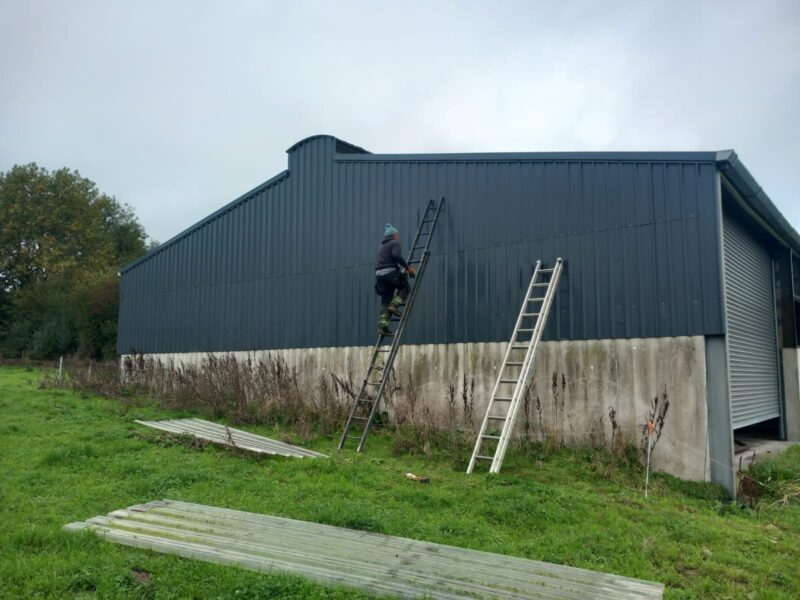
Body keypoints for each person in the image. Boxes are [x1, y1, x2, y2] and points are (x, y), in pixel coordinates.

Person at [375, 223, 415, 336]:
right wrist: (408, 268)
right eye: (397, 234)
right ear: (394, 235)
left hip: (379, 276)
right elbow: (396, 256)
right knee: (405, 288)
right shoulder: (394, 243)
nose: (398, 236)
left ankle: (382, 327)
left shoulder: (381, 246)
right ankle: (394, 305)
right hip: (390, 272)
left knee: (385, 301)